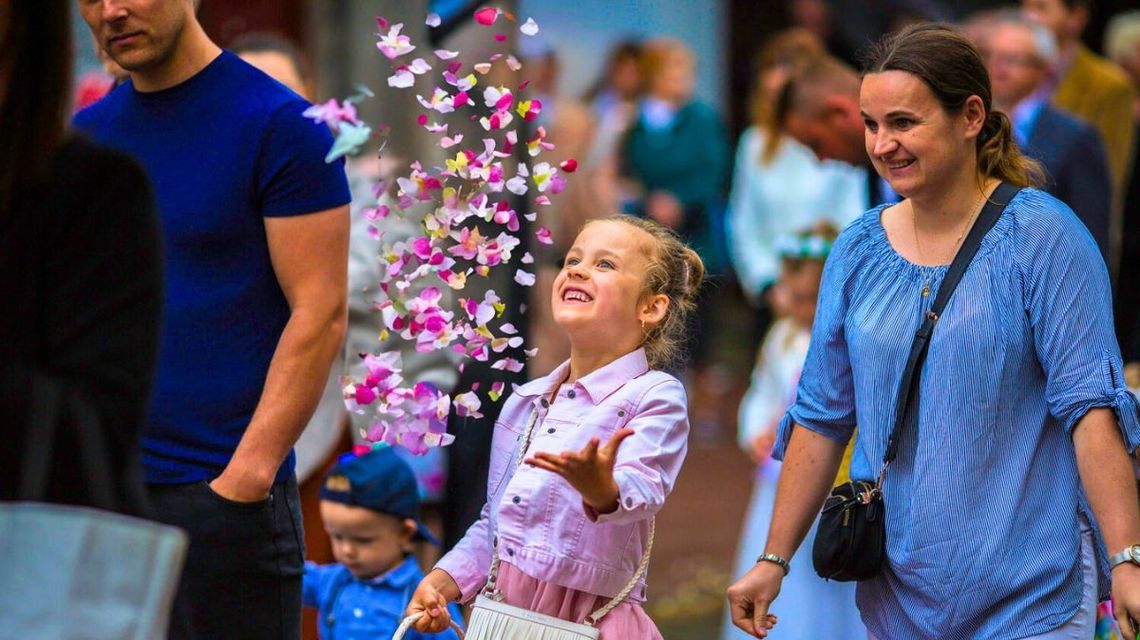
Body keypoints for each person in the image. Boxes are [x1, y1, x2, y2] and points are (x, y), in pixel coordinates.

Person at [726, 23, 1140, 640]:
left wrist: (1126, 560)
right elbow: (820, 414)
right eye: (870, 125)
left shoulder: (1045, 238)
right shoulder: (859, 249)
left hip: (1033, 586)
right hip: (898, 589)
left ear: (971, 116)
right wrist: (773, 560)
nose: (882, 143)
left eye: (903, 123)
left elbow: (1091, 409)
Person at [73, 1, 352, 637]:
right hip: (103, 500)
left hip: (223, 500)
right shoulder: (84, 136)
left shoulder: (283, 126)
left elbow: (321, 314)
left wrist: (241, 484)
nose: (111, 10)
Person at [404, 216, 704, 639]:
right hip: (506, 620)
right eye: (572, 259)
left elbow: (643, 488)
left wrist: (602, 490)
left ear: (650, 307)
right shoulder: (524, 402)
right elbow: (496, 525)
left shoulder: (656, 396)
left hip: (588, 623)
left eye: (605, 265)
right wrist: (442, 580)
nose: (577, 269)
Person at [0, 0, 161, 511]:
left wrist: (246, 474)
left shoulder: (92, 189)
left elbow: (90, 431)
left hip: (35, 559)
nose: (113, 11)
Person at [721, 224, 865, 640]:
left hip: (832, 479)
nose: (801, 308)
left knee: (829, 570)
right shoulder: (780, 339)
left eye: (811, 299)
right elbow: (761, 392)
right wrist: (756, 432)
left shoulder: (843, 340)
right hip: (778, 475)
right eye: (794, 297)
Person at [727, 29, 867, 340]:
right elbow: (744, 221)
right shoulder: (754, 144)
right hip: (775, 296)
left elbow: (854, 214)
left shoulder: (840, 145)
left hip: (829, 290)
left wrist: (816, 282)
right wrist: (770, 284)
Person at [974, 11, 1112, 259]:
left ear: (1045, 69)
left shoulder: (1075, 136)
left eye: (1012, 59)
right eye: (989, 56)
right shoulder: (971, 127)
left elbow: (1091, 234)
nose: (997, 67)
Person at [303, 446, 463, 640]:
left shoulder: (423, 597)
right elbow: (285, 573)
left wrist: (437, 622)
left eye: (363, 540)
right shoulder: (332, 581)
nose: (347, 550)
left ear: (404, 534)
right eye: (337, 536)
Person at [1022, 0, 1136, 209]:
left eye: (1041, 8)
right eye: (1026, 7)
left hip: (1075, 218)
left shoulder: (1109, 84)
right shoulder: (1012, 72)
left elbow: (1109, 174)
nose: (1028, 16)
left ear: (1077, 18)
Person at [777, 53, 899, 207]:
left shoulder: (920, 159)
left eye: (816, 144)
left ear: (840, 114)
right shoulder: (874, 177)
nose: (820, 159)